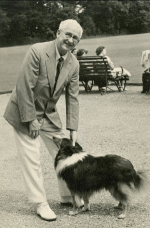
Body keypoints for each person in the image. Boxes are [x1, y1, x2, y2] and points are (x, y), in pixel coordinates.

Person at [4, 19, 83, 221]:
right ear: (58, 33)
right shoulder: (37, 51)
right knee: (32, 156)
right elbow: (24, 87)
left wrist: (72, 127)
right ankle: (40, 202)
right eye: (68, 34)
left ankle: (67, 195)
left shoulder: (73, 63)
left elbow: (73, 97)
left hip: (48, 113)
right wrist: (31, 120)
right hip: (24, 109)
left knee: (65, 150)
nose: (71, 39)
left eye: (75, 37)